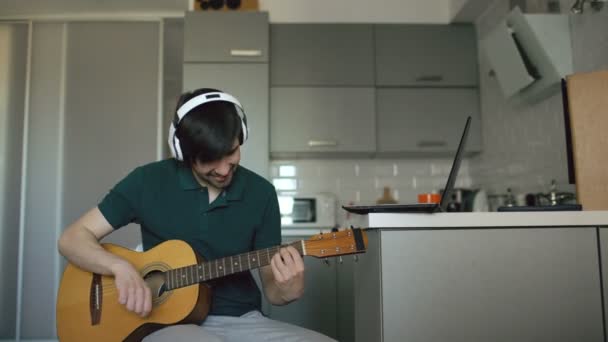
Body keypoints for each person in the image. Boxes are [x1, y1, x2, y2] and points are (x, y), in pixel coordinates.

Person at [57, 88, 335, 342]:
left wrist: (289, 289)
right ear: (182, 152)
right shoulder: (147, 181)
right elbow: (72, 239)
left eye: (231, 153)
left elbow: (273, 291)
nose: (224, 170)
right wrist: (120, 268)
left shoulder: (261, 194)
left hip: (243, 321)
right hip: (165, 325)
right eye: (208, 160)